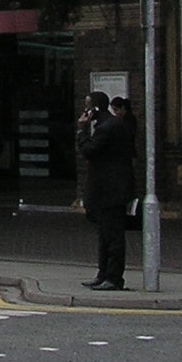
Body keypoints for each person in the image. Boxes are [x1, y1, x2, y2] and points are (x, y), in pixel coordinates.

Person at [78, 92, 136, 292]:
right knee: (104, 237)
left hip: (111, 192)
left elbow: (89, 151)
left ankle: (113, 278)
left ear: (94, 109)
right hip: (109, 191)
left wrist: (82, 131)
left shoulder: (107, 128)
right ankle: (103, 275)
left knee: (112, 238)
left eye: (87, 106)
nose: (85, 110)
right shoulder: (110, 125)